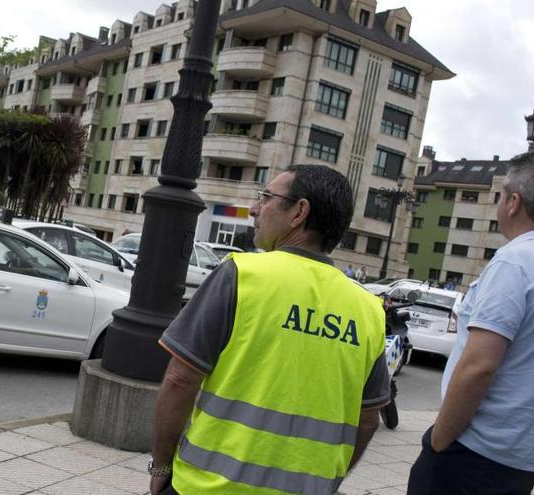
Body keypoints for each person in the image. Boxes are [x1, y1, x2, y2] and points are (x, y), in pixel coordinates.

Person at [150, 165, 390, 495]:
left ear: (299, 212)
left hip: (208, 487)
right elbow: (368, 420)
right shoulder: (368, 310)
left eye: (266, 197)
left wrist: (161, 465)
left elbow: (180, 379)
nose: (254, 209)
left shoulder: (242, 274)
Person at [407, 151, 534, 495]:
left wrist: (440, 439)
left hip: (475, 451)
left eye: (500, 195)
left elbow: (479, 367)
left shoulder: (517, 262)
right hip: (527, 455)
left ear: (514, 202)